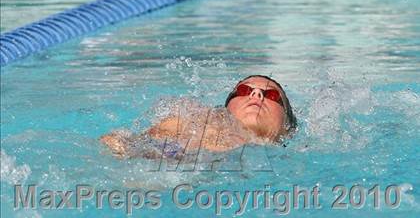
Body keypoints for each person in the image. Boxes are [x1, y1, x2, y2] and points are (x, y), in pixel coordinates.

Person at [100, 75, 296, 159]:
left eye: (271, 95)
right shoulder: (190, 122)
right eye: (244, 90)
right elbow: (119, 143)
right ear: (225, 108)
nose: (256, 94)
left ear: (288, 127)